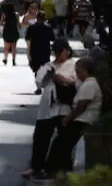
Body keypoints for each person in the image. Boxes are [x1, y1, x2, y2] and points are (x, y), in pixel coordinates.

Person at [21, 39, 76, 180]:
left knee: (64, 139)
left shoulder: (73, 65)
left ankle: (63, 167)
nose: (59, 56)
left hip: (64, 106)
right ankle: (36, 166)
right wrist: (49, 75)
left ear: (67, 51)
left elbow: (76, 82)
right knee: (40, 137)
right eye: (57, 53)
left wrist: (61, 79)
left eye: (62, 52)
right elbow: (39, 82)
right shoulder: (48, 66)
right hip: (47, 107)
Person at [46, 57, 102, 176]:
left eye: (78, 71)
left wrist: (68, 118)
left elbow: (82, 105)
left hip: (84, 120)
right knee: (61, 142)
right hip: (80, 119)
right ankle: (60, 170)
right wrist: (59, 79)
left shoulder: (90, 84)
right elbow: (71, 84)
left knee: (62, 143)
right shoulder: (84, 83)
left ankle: (57, 170)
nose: (76, 74)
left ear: (85, 71)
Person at [26, 11, 55, 94]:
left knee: (36, 69)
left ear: (37, 18)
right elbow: (52, 38)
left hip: (35, 50)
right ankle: (45, 85)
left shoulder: (32, 27)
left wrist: (28, 52)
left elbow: (28, 38)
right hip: (45, 50)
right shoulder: (48, 27)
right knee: (45, 69)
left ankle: (38, 87)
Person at [0, 0, 21, 66]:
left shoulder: (4, 15)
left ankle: (5, 58)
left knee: (6, 46)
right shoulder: (16, 15)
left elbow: (1, 23)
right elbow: (19, 24)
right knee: (14, 47)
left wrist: (4, 24)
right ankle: (13, 60)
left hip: (6, 31)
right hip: (14, 31)